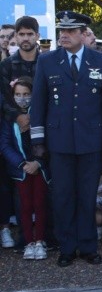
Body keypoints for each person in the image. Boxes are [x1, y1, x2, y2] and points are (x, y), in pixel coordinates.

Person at [30, 11, 102, 267]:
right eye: (62, 31)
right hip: (58, 142)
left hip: (91, 141)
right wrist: (38, 140)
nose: (64, 36)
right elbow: (38, 103)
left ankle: (88, 246)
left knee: (87, 195)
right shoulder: (47, 61)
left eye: (70, 31)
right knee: (63, 196)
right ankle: (67, 247)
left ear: (83, 34)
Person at [0, 76, 49, 260]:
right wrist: (22, 164)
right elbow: (4, 144)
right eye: (18, 94)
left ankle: (41, 240)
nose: (22, 98)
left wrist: (38, 163)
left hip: (40, 168)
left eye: (26, 94)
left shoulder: (41, 113)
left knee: (40, 203)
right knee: (24, 206)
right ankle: (28, 241)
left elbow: (49, 141)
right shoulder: (8, 118)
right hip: (20, 170)